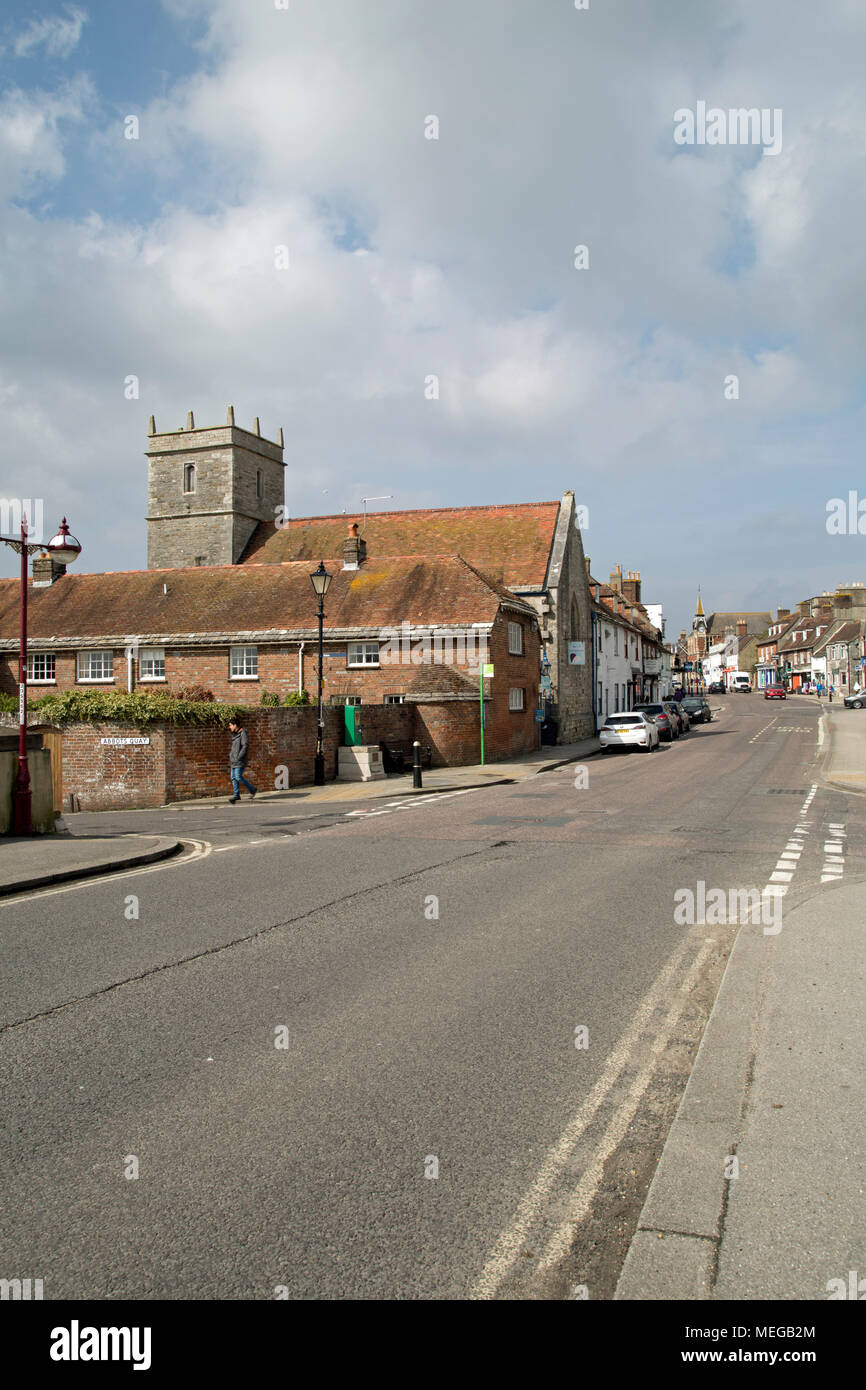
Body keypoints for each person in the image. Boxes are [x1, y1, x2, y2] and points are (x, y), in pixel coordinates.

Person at [228, 718, 257, 803]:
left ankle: (252, 789)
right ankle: (236, 795)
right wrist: (231, 755)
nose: (229, 727)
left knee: (238, 776)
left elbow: (245, 746)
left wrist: (239, 757)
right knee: (233, 777)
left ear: (235, 725)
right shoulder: (235, 734)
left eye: (230, 725)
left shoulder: (243, 733)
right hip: (233, 760)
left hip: (239, 760)